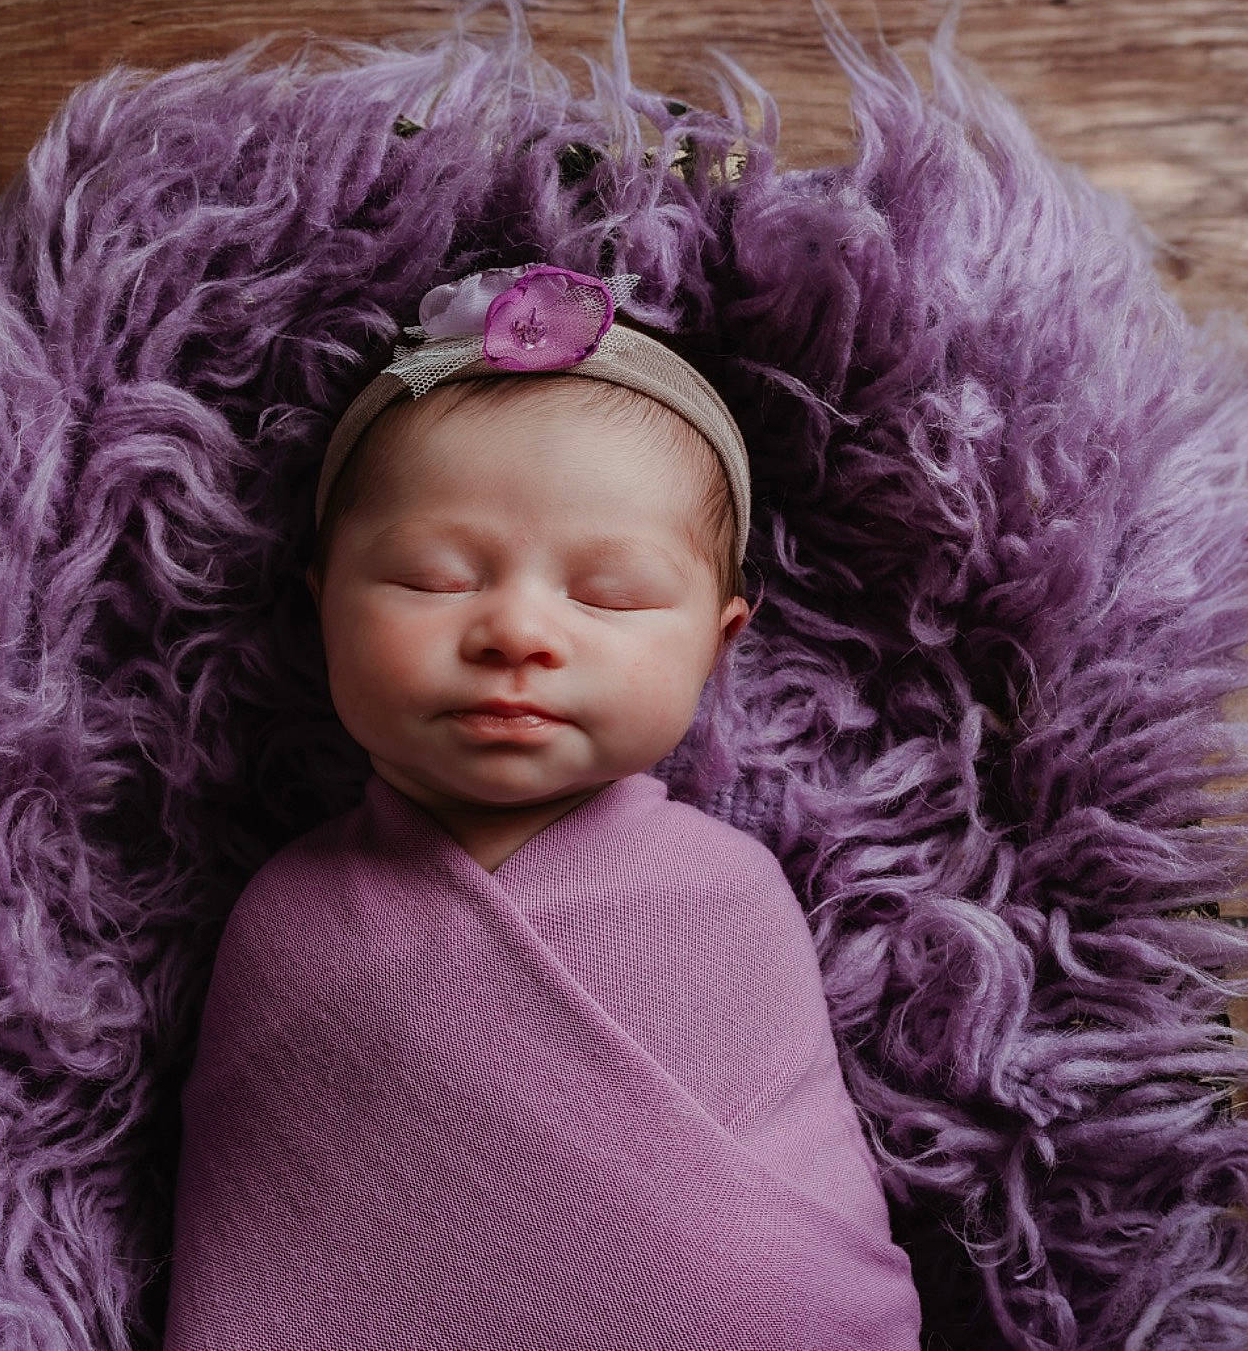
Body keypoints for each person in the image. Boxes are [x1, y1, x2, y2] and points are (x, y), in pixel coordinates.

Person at [162, 264, 924, 1350]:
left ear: (718, 643)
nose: (517, 630)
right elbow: (263, 1250)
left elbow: (789, 1245)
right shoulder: (286, 915)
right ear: (319, 604)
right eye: (432, 578)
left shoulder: (729, 894)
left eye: (607, 594)